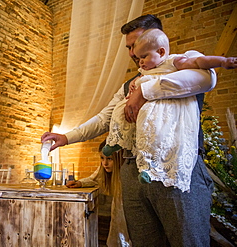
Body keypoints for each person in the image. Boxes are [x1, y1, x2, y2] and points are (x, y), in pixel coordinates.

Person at [41, 14, 216, 246]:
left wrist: (145, 92)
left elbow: (207, 78)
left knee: (188, 242)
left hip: (177, 170)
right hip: (133, 172)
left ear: (157, 40)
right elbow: (104, 118)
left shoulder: (184, 61)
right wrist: (66, 137)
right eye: (129, 48)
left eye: (136, 45)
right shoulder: (129, 84)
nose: (133, 53)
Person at [106, 28, 237, 192]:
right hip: (131, 162)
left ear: (161, 51)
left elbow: (201, 65)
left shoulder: (175, 61)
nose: (138, 60)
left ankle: (149, 168)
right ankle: (114, 142)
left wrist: (222, 62)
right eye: (136, 54)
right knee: (120, 110)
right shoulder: (145, 69)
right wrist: (135, 83)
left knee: (151, 128)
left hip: (163, 110)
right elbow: (106, 115)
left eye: (143, 55)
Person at [66, 140, 130, 247]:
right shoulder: (103, 170)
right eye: (102, 158)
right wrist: (79, 183)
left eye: (109, 159)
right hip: (117, 210)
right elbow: (94, 178)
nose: (105, 163)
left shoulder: (125, 173)